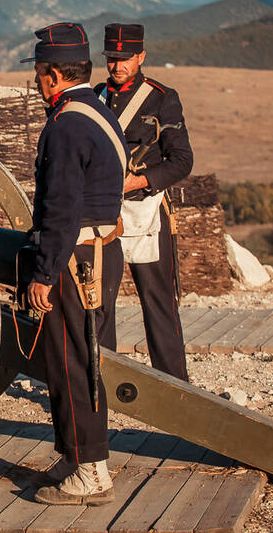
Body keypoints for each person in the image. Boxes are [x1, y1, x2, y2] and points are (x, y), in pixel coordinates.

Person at [20, 23, 127, 506]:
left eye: (40, 72)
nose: (37, 81)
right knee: (86, 359)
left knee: (71, 363)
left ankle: (91, 474)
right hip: (99, 250)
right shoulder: (99, 112)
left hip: (75, 259)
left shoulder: (66, 125)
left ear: (53, 74)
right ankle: (78, 454)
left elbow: (61, 209)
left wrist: (43, 274)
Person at [97, 23, 193, 381]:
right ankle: (101, 381)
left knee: (158, 303)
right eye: (112, 58)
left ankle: (176, 386)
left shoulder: (161, 98)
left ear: (141, 57)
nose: (118, 65)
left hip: (146, 211)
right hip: (104, 213)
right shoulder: (96, 96)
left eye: (125, 58)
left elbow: (182, 161)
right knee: (101, 303)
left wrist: (138, 180)